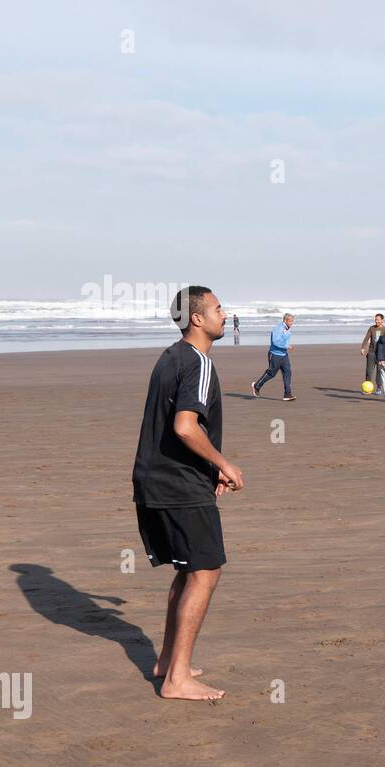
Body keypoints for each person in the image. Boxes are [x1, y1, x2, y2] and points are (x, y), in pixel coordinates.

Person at [132, 286, 244, 701]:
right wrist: (223, 462)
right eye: (218, 308)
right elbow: (183, 426)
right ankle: (177, 678)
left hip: (154, 481)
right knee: (205, 571)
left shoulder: (169, 356)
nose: (224, 313)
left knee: (187, 569)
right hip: (178, 487)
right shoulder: (197, 363)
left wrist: (208, 466)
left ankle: (167, 661)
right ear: (197, 318)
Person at [252, 313, 295, 401]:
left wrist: (285, 346)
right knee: (271, 373)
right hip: (275, 355)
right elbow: (275, 341)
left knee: (287, 372)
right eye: (290, 321)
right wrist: (286, 346)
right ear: (285, 320)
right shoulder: (279, 328)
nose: (292, 323)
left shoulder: (286, 329)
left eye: (292, 321)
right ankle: (257, 386)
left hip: (284, 355)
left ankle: (287, 394)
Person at [360, 313, 385, 392]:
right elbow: (366, 338)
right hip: (371, 353)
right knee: (369, 371)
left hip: (381, 354)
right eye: (375, 319)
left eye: (378, 319)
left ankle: (379, 388)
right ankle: (367, 388)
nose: (376, 321)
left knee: (379, 371)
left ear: (382, 320)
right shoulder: (372, 328)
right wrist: (363, 347)